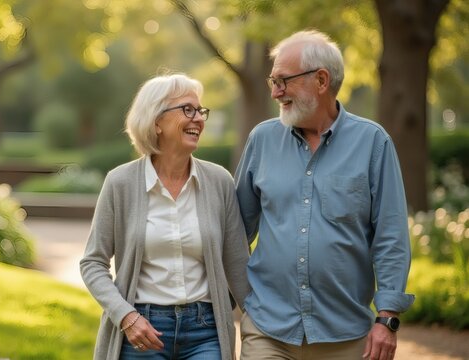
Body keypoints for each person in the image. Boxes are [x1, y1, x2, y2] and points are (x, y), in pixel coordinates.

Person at [234, 30, 415, 360]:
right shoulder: (262, 140)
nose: (276, 92)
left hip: (345, 336)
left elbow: (390, 237)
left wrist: (387, 319)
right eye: (271, 81)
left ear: (320, 80)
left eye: (283, 81)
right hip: (268, 329)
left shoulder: (373, 143)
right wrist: (241, 299)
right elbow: (236, 230)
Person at [80, 73, 251, 360]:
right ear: (156, 121)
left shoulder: (219, 181)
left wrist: (271, 330)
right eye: (187, 109)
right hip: (142, 329)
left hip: (205, 329)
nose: (198, 118)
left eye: (200, 111)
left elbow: (238, 266)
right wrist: (125, 317)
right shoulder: (120, 183)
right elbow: (93, 262)